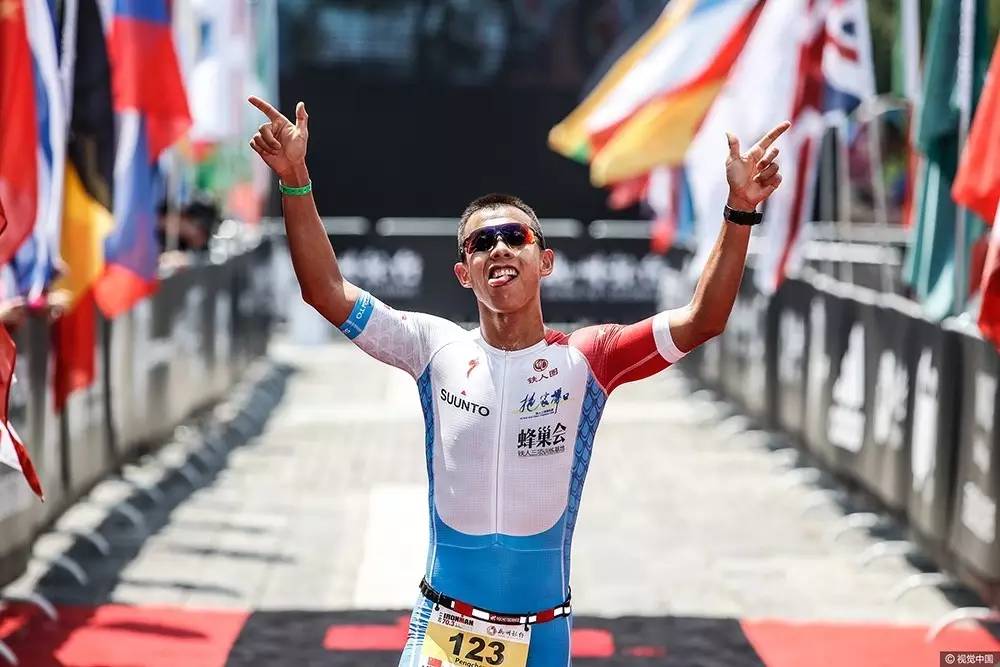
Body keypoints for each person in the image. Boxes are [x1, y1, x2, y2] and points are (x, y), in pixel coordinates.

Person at [248, 95, 787, 667]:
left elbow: (703, 320)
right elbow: (326, 292)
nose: (499, 248)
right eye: (482, 242)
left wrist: (739, 211)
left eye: (515, 237)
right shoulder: (433, 347)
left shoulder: (590, 357)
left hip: (542, 638)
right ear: (464, 273)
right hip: (443, 630)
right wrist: (296, 181)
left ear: (544, 261)